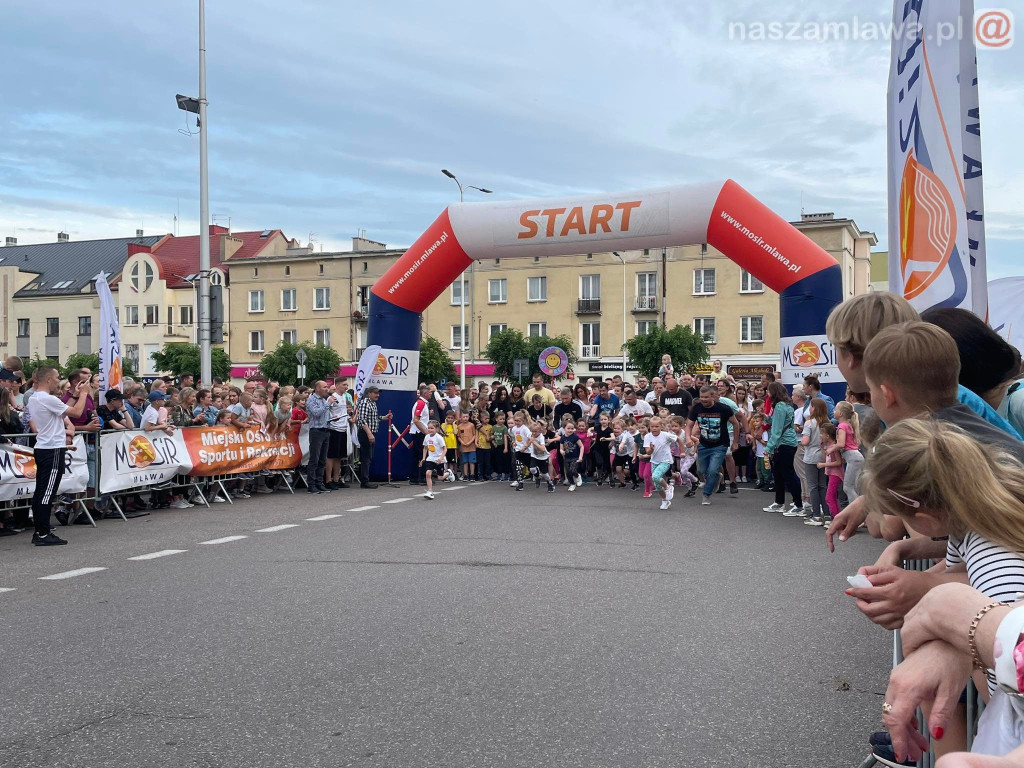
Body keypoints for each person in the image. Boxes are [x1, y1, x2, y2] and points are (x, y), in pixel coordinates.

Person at [26, 366, 83, 546]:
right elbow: (76, 413)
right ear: (49, 379)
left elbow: (62, 411)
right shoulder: (47, 398)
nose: (59, 380)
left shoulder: (35, 398)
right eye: (57, 377)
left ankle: (40, 530)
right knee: (47, 492)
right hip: (52, 448)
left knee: (42, 491)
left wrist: (74, 395)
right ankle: (43, 533)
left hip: (44, 446)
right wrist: (83, 395)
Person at [687, 386, 738, 506]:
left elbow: (735, 424)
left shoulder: (723, 408)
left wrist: (735, 442)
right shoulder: (696, 408)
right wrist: (689, 438)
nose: (703, 399)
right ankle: (716, 476)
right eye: (701, 397)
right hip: (703, 444)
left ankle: (706, 494)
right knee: (701, 470)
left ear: (712, 396)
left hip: (720, 445)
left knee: (712, 470)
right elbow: (689, 425)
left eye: (706, 397)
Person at [762, 381, 802, 514]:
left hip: (783, 444)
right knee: (779, 474)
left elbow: (777, 430)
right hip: (789, 442)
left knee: (787, 474)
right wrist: (767, 418)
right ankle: (780, 502)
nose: (767, 393)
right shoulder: (788, 405)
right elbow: (784, 424)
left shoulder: (779, 406)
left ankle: (797, 504)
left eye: (769, 391)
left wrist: (769, 447)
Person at [797, 398, 829, 522]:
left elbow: (805, 441)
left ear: (814, 408)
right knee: (822, 485)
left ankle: (816, 514)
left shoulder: (809, 423)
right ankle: (826, 513)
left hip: (811, 456)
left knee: (813, 486)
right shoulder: (827, 423)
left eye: (810, 406)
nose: (809, 408)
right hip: (823, 456)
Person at [304, 381, 333, 495]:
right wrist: (328, 404)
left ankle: (319, 483)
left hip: (325, 430)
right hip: (316, 431)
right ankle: (311, 485)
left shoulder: (323, 399)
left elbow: (324, 414)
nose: (327, 389)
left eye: (327, 386)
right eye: (325, 387)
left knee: (322, 459)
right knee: (314, 459)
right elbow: (316, 413)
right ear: (317, 388)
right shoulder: (312, 399)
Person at [643, 416, 678, 510]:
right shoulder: (647, 436)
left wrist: (682, 451)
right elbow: (648, 452)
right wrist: (651, 449)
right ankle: (665, 501)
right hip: (654, 461)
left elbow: (677, 439)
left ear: (661, 427)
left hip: (665, 461)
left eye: (656, 426)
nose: (654, 428)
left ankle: (668, 487)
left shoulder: (665, 435)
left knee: (655, 476)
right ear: (649, 427)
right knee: (657, 485)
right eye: (652, 426)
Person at [356, 386, 387, 489]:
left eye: (378, 393)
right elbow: (362, 420)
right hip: (365, 433)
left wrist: (384, 417)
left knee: (368, 457)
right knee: (366, 457)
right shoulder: (365, 402)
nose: (377, 395)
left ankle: (365, 479)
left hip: (371, 432)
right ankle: (364, 481)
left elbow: (373, 418)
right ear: (369, 393)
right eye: (375, 393)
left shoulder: (373, 403)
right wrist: (369, 433)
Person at [834, 401, 863, 502]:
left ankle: (855, 512)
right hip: (856, 457)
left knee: (848, 487)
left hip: (853, 458)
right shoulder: (848, 425)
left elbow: (841, 444)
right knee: (854, 488)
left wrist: (830, 449)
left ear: (841, 413)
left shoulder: (842, 426)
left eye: (836, 409)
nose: (834, 411)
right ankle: (859, 511)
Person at [815, 422, 842, 526]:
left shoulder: (834, 447)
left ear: (827, 435)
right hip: (831, 473)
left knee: (829, 497)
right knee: (832, 497)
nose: (821, 436)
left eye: (822, 434)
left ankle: (837, 520)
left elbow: (838, 462)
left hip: (836, 474)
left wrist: (823, 465)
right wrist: (822, 448)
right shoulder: (829, 446)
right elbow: (825, 456)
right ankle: (837, 518)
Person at [419, 421, 447, 500]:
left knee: (440, 478)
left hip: (439, 459)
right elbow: (425, 448)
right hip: (430, 459)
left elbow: (445, 449)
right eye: (429, 428)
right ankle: (430, 491)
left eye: (432, 428)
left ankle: (448, 473)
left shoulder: (439, 437)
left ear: (437, 429)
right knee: (428, 473)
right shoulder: (427, 437)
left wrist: (441, 458)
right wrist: (424, 458)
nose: (430, 430)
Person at [409, 384, 431, 485]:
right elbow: (416, 420)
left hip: (418, 431)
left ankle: (415, 477)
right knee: (422, 455)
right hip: (419, 432)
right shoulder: (421, 403)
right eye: (430, 392)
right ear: (425, 393)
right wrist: (425, 431)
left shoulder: (422, 403)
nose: (431, 394)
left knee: (418, 455)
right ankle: (420, 477)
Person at [526, 421, 555, 492]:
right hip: (534, 455)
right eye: (532, 431)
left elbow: (542, 448)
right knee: (532, 469)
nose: (533, 433)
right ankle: (537, 477)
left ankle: (550, 484)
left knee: (545, 474)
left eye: (535, 431)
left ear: (539, 431)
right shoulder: (530, 435)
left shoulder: (541, 437)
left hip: (543, 457)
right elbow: (528, 441)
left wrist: (534, 442)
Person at [509, 411, 531, 490]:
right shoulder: (514, 429)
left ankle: (537, 475)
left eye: (519, 421)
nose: (517, 422)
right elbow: (515, 437)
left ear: (523, 420)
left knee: (531, 467)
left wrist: (525, 447)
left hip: (527, 451)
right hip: (518, 450)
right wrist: (514, 442)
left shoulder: (525, 429)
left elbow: (530, 438)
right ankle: (520, 483)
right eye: (515, 420)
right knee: (518, 467)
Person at [560, 420, 582, 491]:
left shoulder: (575, 437)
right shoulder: (563, 438)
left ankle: (578, 476)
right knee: (568, 472)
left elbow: (582, 446)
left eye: (572, 428)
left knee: (573, 470)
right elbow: (561, 448)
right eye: (568, 428)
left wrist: (580, 456)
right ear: (564, 428)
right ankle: (572, 484)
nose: (570, 430)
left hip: (575, 457)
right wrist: (562, 451)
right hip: (567, 457)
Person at [456, 412, 478, 482]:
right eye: (464, 417)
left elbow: (474, 435)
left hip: (471, 446)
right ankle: (465, 475)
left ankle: (472, 475)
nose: (465, 418)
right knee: (465, 462)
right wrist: (462, 442)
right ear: (461, 418)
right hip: (463, 446)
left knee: (472, 461)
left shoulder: (471, 425)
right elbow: (458, 436)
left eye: (467, 417)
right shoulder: (459, 426)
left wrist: (470, 442)